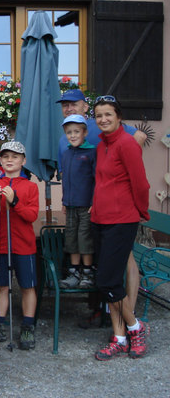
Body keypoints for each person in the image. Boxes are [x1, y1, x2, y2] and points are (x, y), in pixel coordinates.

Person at [56, 89, 145, 326]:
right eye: (64, 105)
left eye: (73, 104)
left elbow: (139, 139)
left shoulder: (108, 127)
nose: (69, 108)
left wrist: (137, 208)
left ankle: (129, 315)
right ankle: (104, 311)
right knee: (99, 263)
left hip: (119, 214)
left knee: (123, 263)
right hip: (97, 212)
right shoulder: (66, 135)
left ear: (85, 106)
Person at [91, 96, 150, 361]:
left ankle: (136, 328)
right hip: (101, 219)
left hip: (121, 220)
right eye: (99, 115)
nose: (103, 119)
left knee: (108, 280)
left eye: (108, 115)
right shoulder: (101, 145)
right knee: (109, 282)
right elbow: (102, 182)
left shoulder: (127, 144)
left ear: (119, 117)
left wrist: (141, 212)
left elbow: (141, 184)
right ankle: (119, 337)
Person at [0, 141, 39, 351]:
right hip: (1, 245)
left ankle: (27, 325)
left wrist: (14, 202)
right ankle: (0, 323)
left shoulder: (30, 186)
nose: (10, 161)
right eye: (6, 157)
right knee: (1, 286)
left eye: (15, 157)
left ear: (23, 161)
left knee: (27, 285)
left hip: (24, 245)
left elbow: (31, 215)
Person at [58, 114, 96, 289]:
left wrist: (95, 201)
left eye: (76, 132)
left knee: (85, 238)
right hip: (71, 205)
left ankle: (87, 272)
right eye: (69, 132)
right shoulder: (66, 153)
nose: (72, 135)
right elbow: (66, 179)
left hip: (86, 205)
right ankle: (74, 272)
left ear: (85, 132)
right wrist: (65, 200)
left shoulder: (91, 152)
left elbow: (97, 179)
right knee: (71, 238)